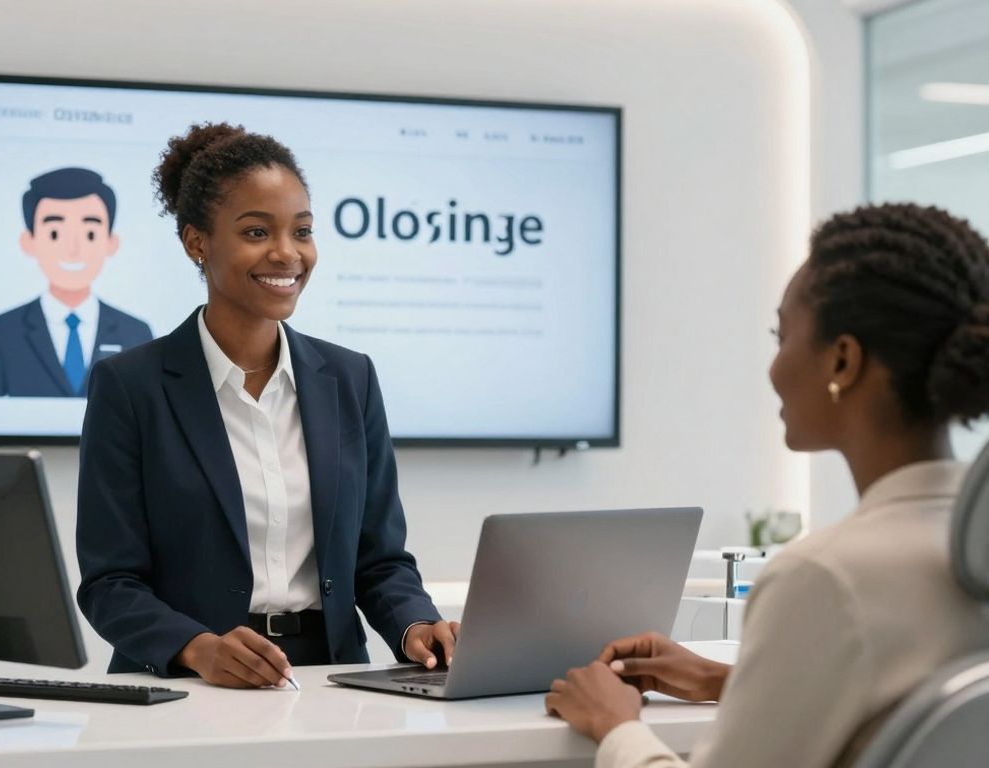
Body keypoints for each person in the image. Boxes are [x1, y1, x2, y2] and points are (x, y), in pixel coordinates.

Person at [546, 203, 989, 767]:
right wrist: (728, 680)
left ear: (843, 361)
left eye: (781, 335)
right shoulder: (964, 552)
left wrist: (614, 725)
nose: (774, 366)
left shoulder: (825, 578)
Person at [75, 123, 459, 688]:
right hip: (190, 689)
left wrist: (415, 626)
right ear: (197, 242)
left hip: (332, 683)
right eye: (257, 231)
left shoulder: (350, 379)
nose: (287, 253)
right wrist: (197, 648)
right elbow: (110, 582)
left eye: (301, 232)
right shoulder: (130, 386)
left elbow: (379, 561)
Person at [0, 167, 153, 398]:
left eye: (90, 234)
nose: (72, 250)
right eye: (54, 233)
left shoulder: (136, 333)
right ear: (29, 241)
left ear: (111, 242)